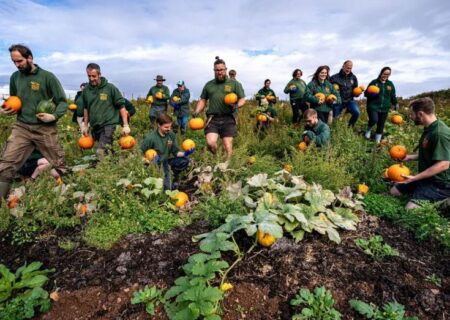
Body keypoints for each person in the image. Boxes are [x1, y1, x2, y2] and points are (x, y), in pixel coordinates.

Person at [0, 44, 68, 201]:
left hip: (45, 128)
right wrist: (7, 109)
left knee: (59, 163)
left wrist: (54, 116)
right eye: (14, 62)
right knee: (6, 163)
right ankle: (2, 204)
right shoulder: (15, 78)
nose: (17, 65)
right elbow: (15, 101)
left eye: (20, 61)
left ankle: (65, 195)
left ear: (30, 58)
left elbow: (62, 102)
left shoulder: (47, 77)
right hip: (22, 127)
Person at [390, 97, 450, 209]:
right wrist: (409, 158)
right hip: (426, 178)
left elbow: (444, 164)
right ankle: (421, 191)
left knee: (409, 210)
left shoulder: (439, 134)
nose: (411, 117)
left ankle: (444, 202)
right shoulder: (430, 128)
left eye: (412, 114)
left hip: (440, 183)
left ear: (421, 114)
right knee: (394, 191)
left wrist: (415, 178)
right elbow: (431, 153)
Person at [193, 56, 246, 159]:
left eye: (221, 69)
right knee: (210, 143)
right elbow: (203, 100)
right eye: (217, 70)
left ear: (225, 69)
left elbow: (242, 99)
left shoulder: (234, 84)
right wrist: (197, 111)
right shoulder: (209, 85)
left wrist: (237, 105)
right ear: (214, 71)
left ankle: (228, 164)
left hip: (228, 117)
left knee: (227, 145)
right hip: (213, 118)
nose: (219, 72)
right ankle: (217, 157)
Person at [76, 63, 130, 157]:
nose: (91, 79)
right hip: (96, 127)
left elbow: (121, 106)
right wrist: (85, 125)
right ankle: (115, 167)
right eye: (89, 76)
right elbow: (86, 108)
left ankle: (101, 170)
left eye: (94, 76)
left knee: (100, 152)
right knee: (109, 152)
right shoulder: (86, 90)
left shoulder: (110, 88)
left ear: (99, 74)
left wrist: (125, 125)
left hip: (109, 125)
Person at [140, 114, 193, 190]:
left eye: (170, 126)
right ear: (159, 125)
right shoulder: (151, 138)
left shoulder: (171, 135)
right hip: (157, 164)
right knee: (168, 187)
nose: (169, 129)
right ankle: (166, 180)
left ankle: (174, 176)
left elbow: (176, 152)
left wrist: (185, 153)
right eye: (166, 127)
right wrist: (149, 161)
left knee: (185, 160)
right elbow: (140, 153)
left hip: (166, 161)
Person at [364, 66, 398, 143]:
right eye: (384, 74)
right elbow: (366, 93)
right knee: (374, 119)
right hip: (373, 106)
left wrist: (395, 103)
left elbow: (393, 95)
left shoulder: (390, 84)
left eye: (387, 74)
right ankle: (368, 129)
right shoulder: (374, 82)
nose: (385, 76)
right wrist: (370, 94)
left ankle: (377, 141)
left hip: (385, 108)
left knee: (381, 124)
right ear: (381, 73)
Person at [330, 60, 361, 127]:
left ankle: (350, 127)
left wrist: (357, 94)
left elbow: (355, 90)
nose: (348, 69)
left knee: (356, 112)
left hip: (350, 101)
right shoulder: (334, 78)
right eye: (347, 67)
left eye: (350, 68)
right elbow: (329, 90)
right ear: (343, 66)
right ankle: (336, 130)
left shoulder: (353, 77)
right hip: (338, 101)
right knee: (335, 119)